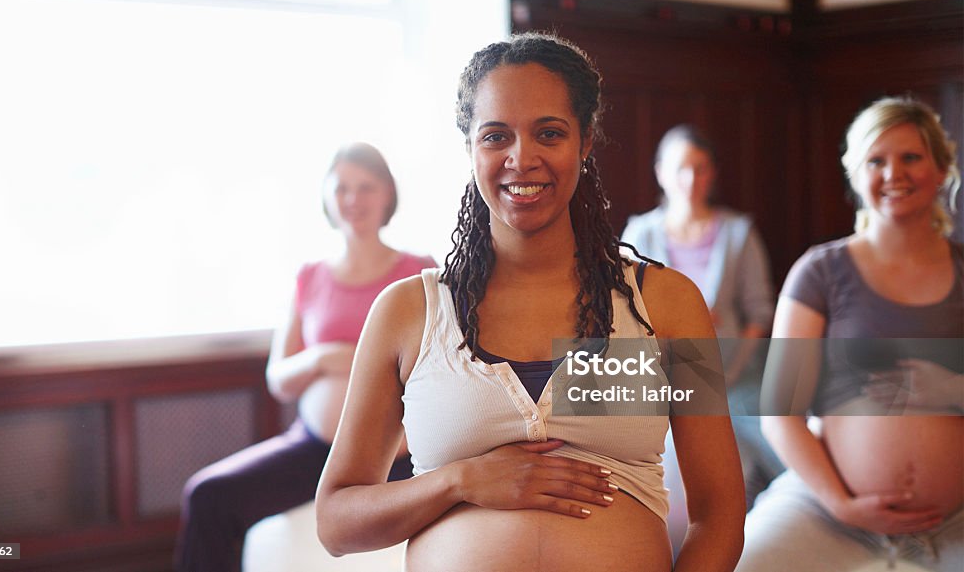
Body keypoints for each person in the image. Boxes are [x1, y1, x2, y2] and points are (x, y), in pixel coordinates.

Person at [315, 33, 745, 572]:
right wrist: (460, 480)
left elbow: (719, 512)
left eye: (549, 133)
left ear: (586, 140)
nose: (522, 158)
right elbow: (336, 522)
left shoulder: (664, 304)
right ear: (469, 147)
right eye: (496, 136)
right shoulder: (409, 312)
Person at [175, 142, 436, 572]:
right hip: (314, 448)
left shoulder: (418, 272)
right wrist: (322, 358)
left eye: (366, 187)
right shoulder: (310, 277)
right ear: (326, 198)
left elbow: (437, 369)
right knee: (207, 495)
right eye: (342, 189)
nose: (353, 200)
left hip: (394, 457)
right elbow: (279, 379)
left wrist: (353, 362)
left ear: (388, 194)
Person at [738, 97, 963, 571]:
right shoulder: (819, 272)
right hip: (825, 511)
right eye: (876, 160)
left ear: (942, 168)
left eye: (911, 157)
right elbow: (781, 411)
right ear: (856, 174)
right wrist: (840, 503)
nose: (892, 174)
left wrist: (953, 388)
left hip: (954, 518)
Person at [621, 126, 783, 530]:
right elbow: (620, 314)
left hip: (736, 377)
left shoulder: (738, 233)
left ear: (712, 174)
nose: (690, 180)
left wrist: (727, 374)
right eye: (680, 169)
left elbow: (759, 313)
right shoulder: (640, 233)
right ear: (661, 173)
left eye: (700, 169)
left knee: (767, 457)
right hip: (659, 379)